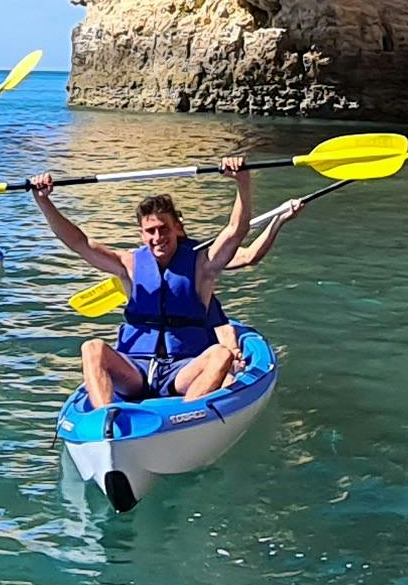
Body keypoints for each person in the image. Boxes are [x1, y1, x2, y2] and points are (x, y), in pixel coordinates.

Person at [33, 160, 264, 408]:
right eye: (150, 231)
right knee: (92, 348)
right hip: (136, 369)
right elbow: (79, 242)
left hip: (183, 368)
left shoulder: (202, 265)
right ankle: (105, 417)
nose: (158, 237)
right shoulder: (128, 265)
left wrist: (243, 182)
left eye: (163, 229)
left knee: (221, 354)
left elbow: (236, 230)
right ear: (141, 234)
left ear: (176, 229)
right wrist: (44, 201)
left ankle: (186, 415)